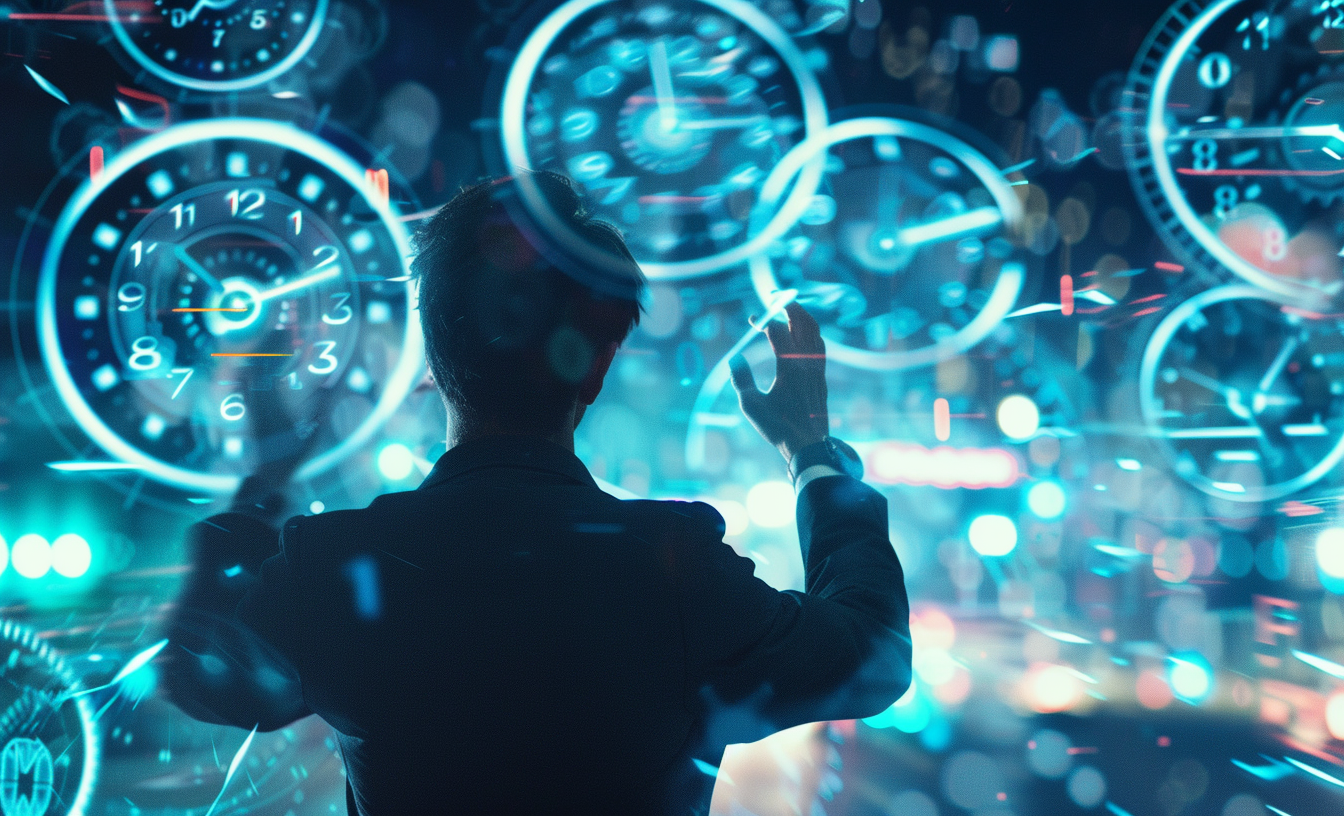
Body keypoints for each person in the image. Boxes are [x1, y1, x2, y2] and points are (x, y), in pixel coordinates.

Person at [161, 171, 912, 815]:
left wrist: (267, 472)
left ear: (434, 355)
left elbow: (202, 674)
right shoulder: (673, 570)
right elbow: (873, 656)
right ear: (597, 364)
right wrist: (812, 455)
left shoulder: (332, 569)